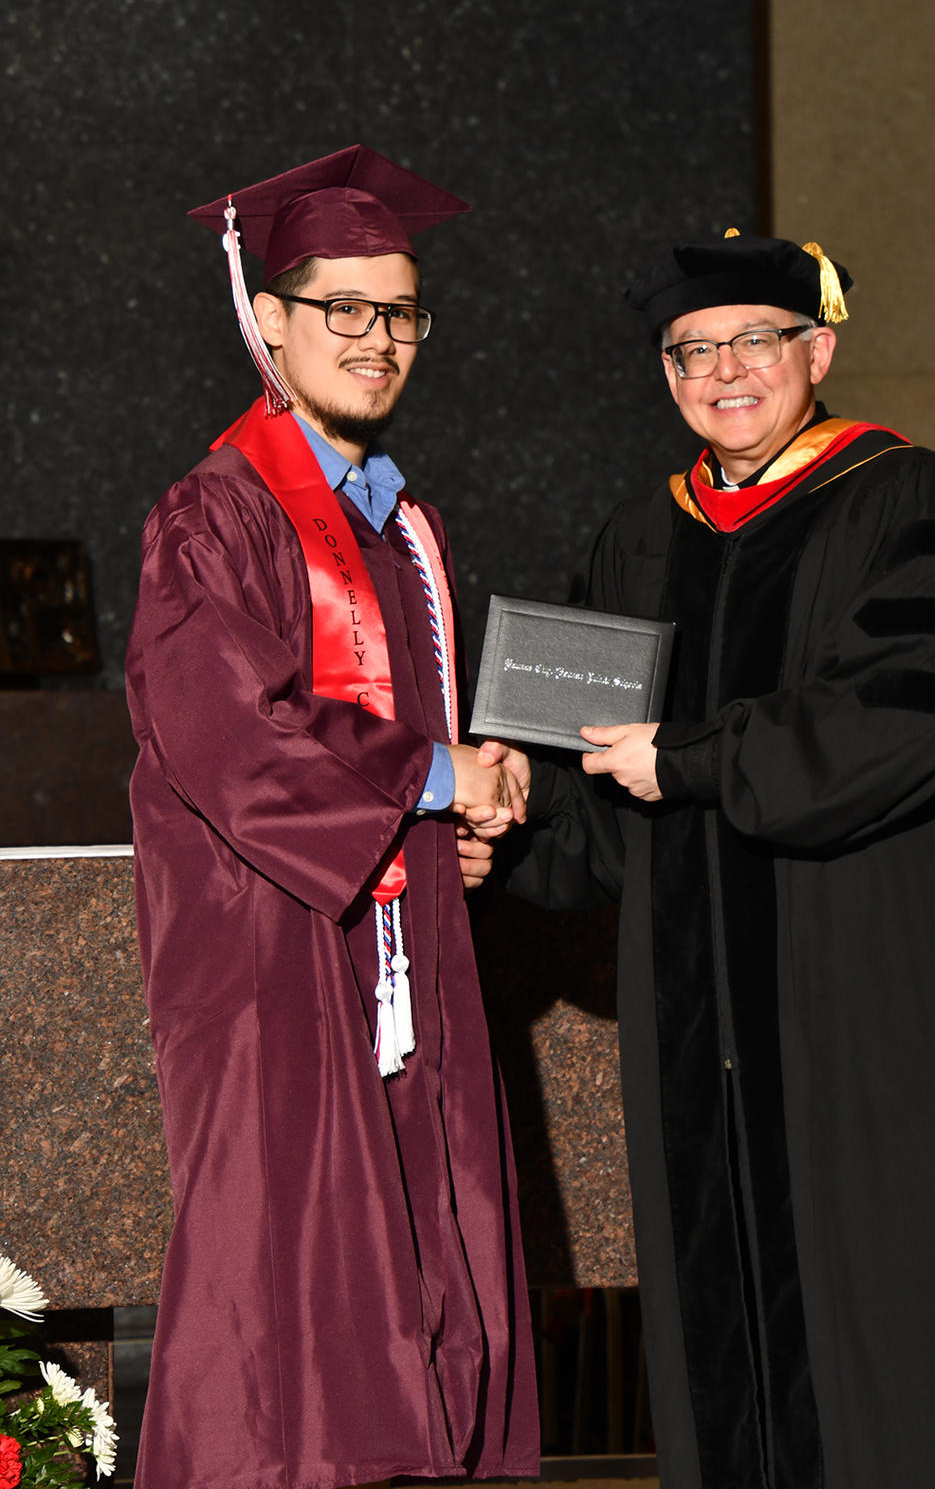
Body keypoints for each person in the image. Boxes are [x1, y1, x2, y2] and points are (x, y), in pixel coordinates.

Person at [487, 231, 935, 1489]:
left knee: (892, 1296)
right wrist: (499, 830)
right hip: (702, 1028)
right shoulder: (640, 536)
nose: (722, 370)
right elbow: (593, 796)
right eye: (691, 351)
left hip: (868, 1003)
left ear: (816, 352)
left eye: (753, 341)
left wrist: (693, 757)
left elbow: (912, 718)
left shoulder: (904, 500)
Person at [125, 145, 538, 1489]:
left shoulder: (407, 525)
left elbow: (410, 739)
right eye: (343, 309)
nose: (377, 338)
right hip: (275, 956)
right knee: (287, 1293)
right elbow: (230, 737)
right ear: (270, 319)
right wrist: (434, 780)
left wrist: (461, 815)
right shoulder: (215, 515)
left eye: (401, 311)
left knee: (428, 1253)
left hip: (406, 955)